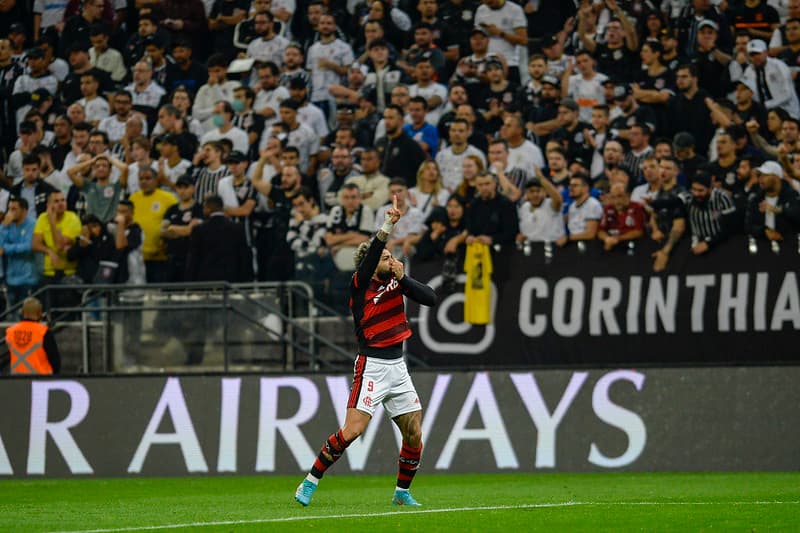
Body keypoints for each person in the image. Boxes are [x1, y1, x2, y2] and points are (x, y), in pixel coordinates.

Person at [294, 194, 437, 508]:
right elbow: (373, 254)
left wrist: (404, 276)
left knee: (414, 433)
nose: (390, 259)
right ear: (372, 266)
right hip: (371, 365)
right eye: (385, 257)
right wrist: (387, 225)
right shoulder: (360, 285)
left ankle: (402, 492)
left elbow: (431, 298)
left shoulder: (397, 282)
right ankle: (310, 481)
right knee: (353, 431)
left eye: (390, 256)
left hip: (398, 366)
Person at [0, 198, 40, 312]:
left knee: (25, 313)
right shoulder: (7, 226)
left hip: (28, 278)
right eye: (9, 209)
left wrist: (7, 249)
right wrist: (3, 226)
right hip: (10, 278)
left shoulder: (33, 224)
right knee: (12, 313)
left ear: (24, 211)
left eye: (14, 209)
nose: (10, 213)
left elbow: (28, 247)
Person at [5, 297, 61, 375]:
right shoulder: (44, 331)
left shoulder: (10, 331)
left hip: (17, 380)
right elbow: (55, 360)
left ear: (23, 312)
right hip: (41, 380)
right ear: (39, 313)